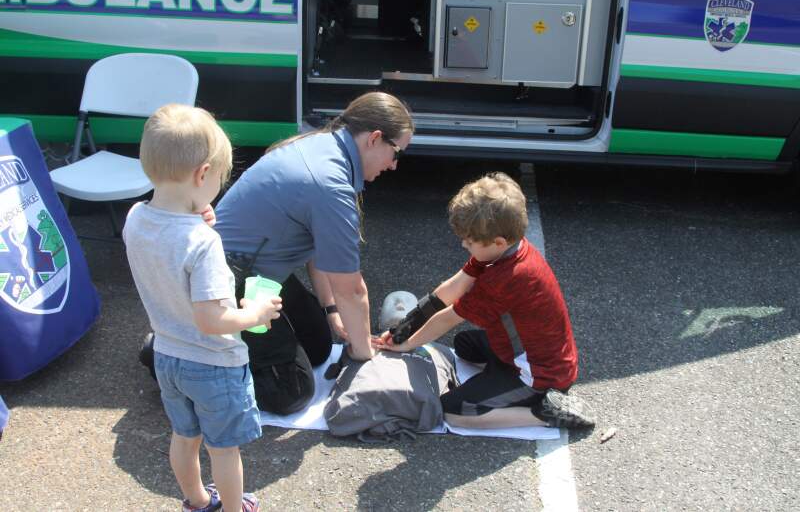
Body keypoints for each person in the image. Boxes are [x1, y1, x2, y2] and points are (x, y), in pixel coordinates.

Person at [123, 104, 282, 512]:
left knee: (184, 437)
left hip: (168, 355)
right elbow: (212, 320)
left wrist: (196, 215)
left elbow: (167, 244)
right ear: (201, 174)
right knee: (224, 450)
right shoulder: (203, 243)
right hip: (214, 364)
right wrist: (257, 313)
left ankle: (196, 500)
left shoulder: (135, 218)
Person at [214, 92, 414, 414]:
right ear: (375, 139)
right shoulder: (330, 184)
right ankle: (183, 351)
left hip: (259, 272)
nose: (393, 165)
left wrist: (331, 309)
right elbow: (352, 289)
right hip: (231, 278)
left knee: (320, 347)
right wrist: (365, 356)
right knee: (289, 392)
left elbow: (320, 250)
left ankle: (216, 336)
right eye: (396, 153)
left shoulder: (326, 147)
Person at [376, 172, 595, 429]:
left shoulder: (506, 276)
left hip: (541, 374)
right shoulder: (505, 250)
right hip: (537, 353)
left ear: (498, 241)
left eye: (469, 242)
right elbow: (453, 286)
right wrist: (407, 325)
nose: (464, 245)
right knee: (465, 345)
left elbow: (450, 317)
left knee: (451, 412)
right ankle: (502, 382)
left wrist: (408, 345)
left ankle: (543, 412)